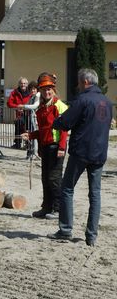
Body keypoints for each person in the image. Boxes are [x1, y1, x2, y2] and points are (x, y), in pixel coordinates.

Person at [49, 68, 113, 246]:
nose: (77, 86)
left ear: (85, 82)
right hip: (100, 153)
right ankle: (91, 236)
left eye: (78, 82)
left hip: (81, 152)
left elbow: (66, 122)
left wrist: (56, 122)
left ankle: (66, 229)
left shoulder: (83, 100)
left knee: (67, 188)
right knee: (95, 194)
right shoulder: (107, 102)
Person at [21, 73, 68, 220]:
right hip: (46, 147)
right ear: (40, 91)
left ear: (53, 89)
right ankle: (46, 207)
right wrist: (30, 135)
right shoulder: (41, 108)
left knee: (54, 179)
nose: (47, 92)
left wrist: (61, 148)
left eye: (49, 89)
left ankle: (58, 209)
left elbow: (64, 130)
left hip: (56, 147)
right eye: (44, 89)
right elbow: (43, 131)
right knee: (45, 178)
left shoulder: (59, 106)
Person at [7, 77, 31, 148]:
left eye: (24, 83)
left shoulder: (30, 93)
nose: (23, 85)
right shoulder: (14, 92)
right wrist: (17, 106)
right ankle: (17, 143)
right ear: (19, 84)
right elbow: (9, 103)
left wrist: (25, 107)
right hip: (19, 115)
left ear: (27, 84)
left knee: (27, 128)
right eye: (21, 83)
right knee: (18, 125)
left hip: (29, 115)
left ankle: (28, 143)